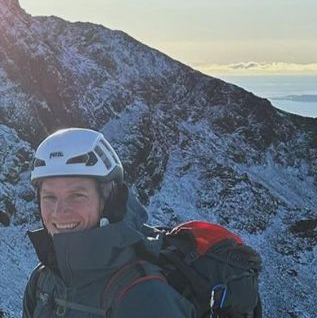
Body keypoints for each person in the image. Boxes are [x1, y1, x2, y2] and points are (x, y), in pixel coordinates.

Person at [23, 128, 195, 317]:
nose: (59, 212)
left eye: (77, 195)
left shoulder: (146, 297)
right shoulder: (42, 280)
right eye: (49, 197)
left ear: (109, 201)